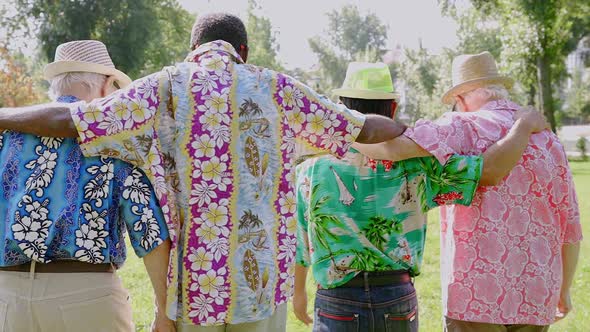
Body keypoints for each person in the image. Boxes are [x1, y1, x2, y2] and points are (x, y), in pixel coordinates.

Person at [0, 14, 408, 331]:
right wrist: (414, 131)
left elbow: (68, 119)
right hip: (260, 286)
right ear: (243, 51)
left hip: (192, 289)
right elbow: (367, 128)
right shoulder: (279, 89)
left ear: (191, 47)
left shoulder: (160, 88)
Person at [292, 62, 550, 332]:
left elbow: (301, 241)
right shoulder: (419, 166)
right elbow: (490, 171)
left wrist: (299, 292)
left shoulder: (311, 170)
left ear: (341, 107)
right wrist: (522, 126)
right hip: (396, 296)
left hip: (336, 299)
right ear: (392, 109)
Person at [358, 52, 582, 332]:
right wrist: (564, 289)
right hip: (537, 292)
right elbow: (570, 228)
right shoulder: (548, 140)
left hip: (475, 294)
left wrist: (338, 139)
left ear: (461, 98)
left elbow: (390, 149)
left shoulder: (463, 126)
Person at [0, 40, 172, 332]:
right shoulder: (113, 140)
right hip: (87, 297)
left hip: (7, 297)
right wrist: (164, 313)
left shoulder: (6, 136)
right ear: (106, 85)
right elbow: (148, 229)